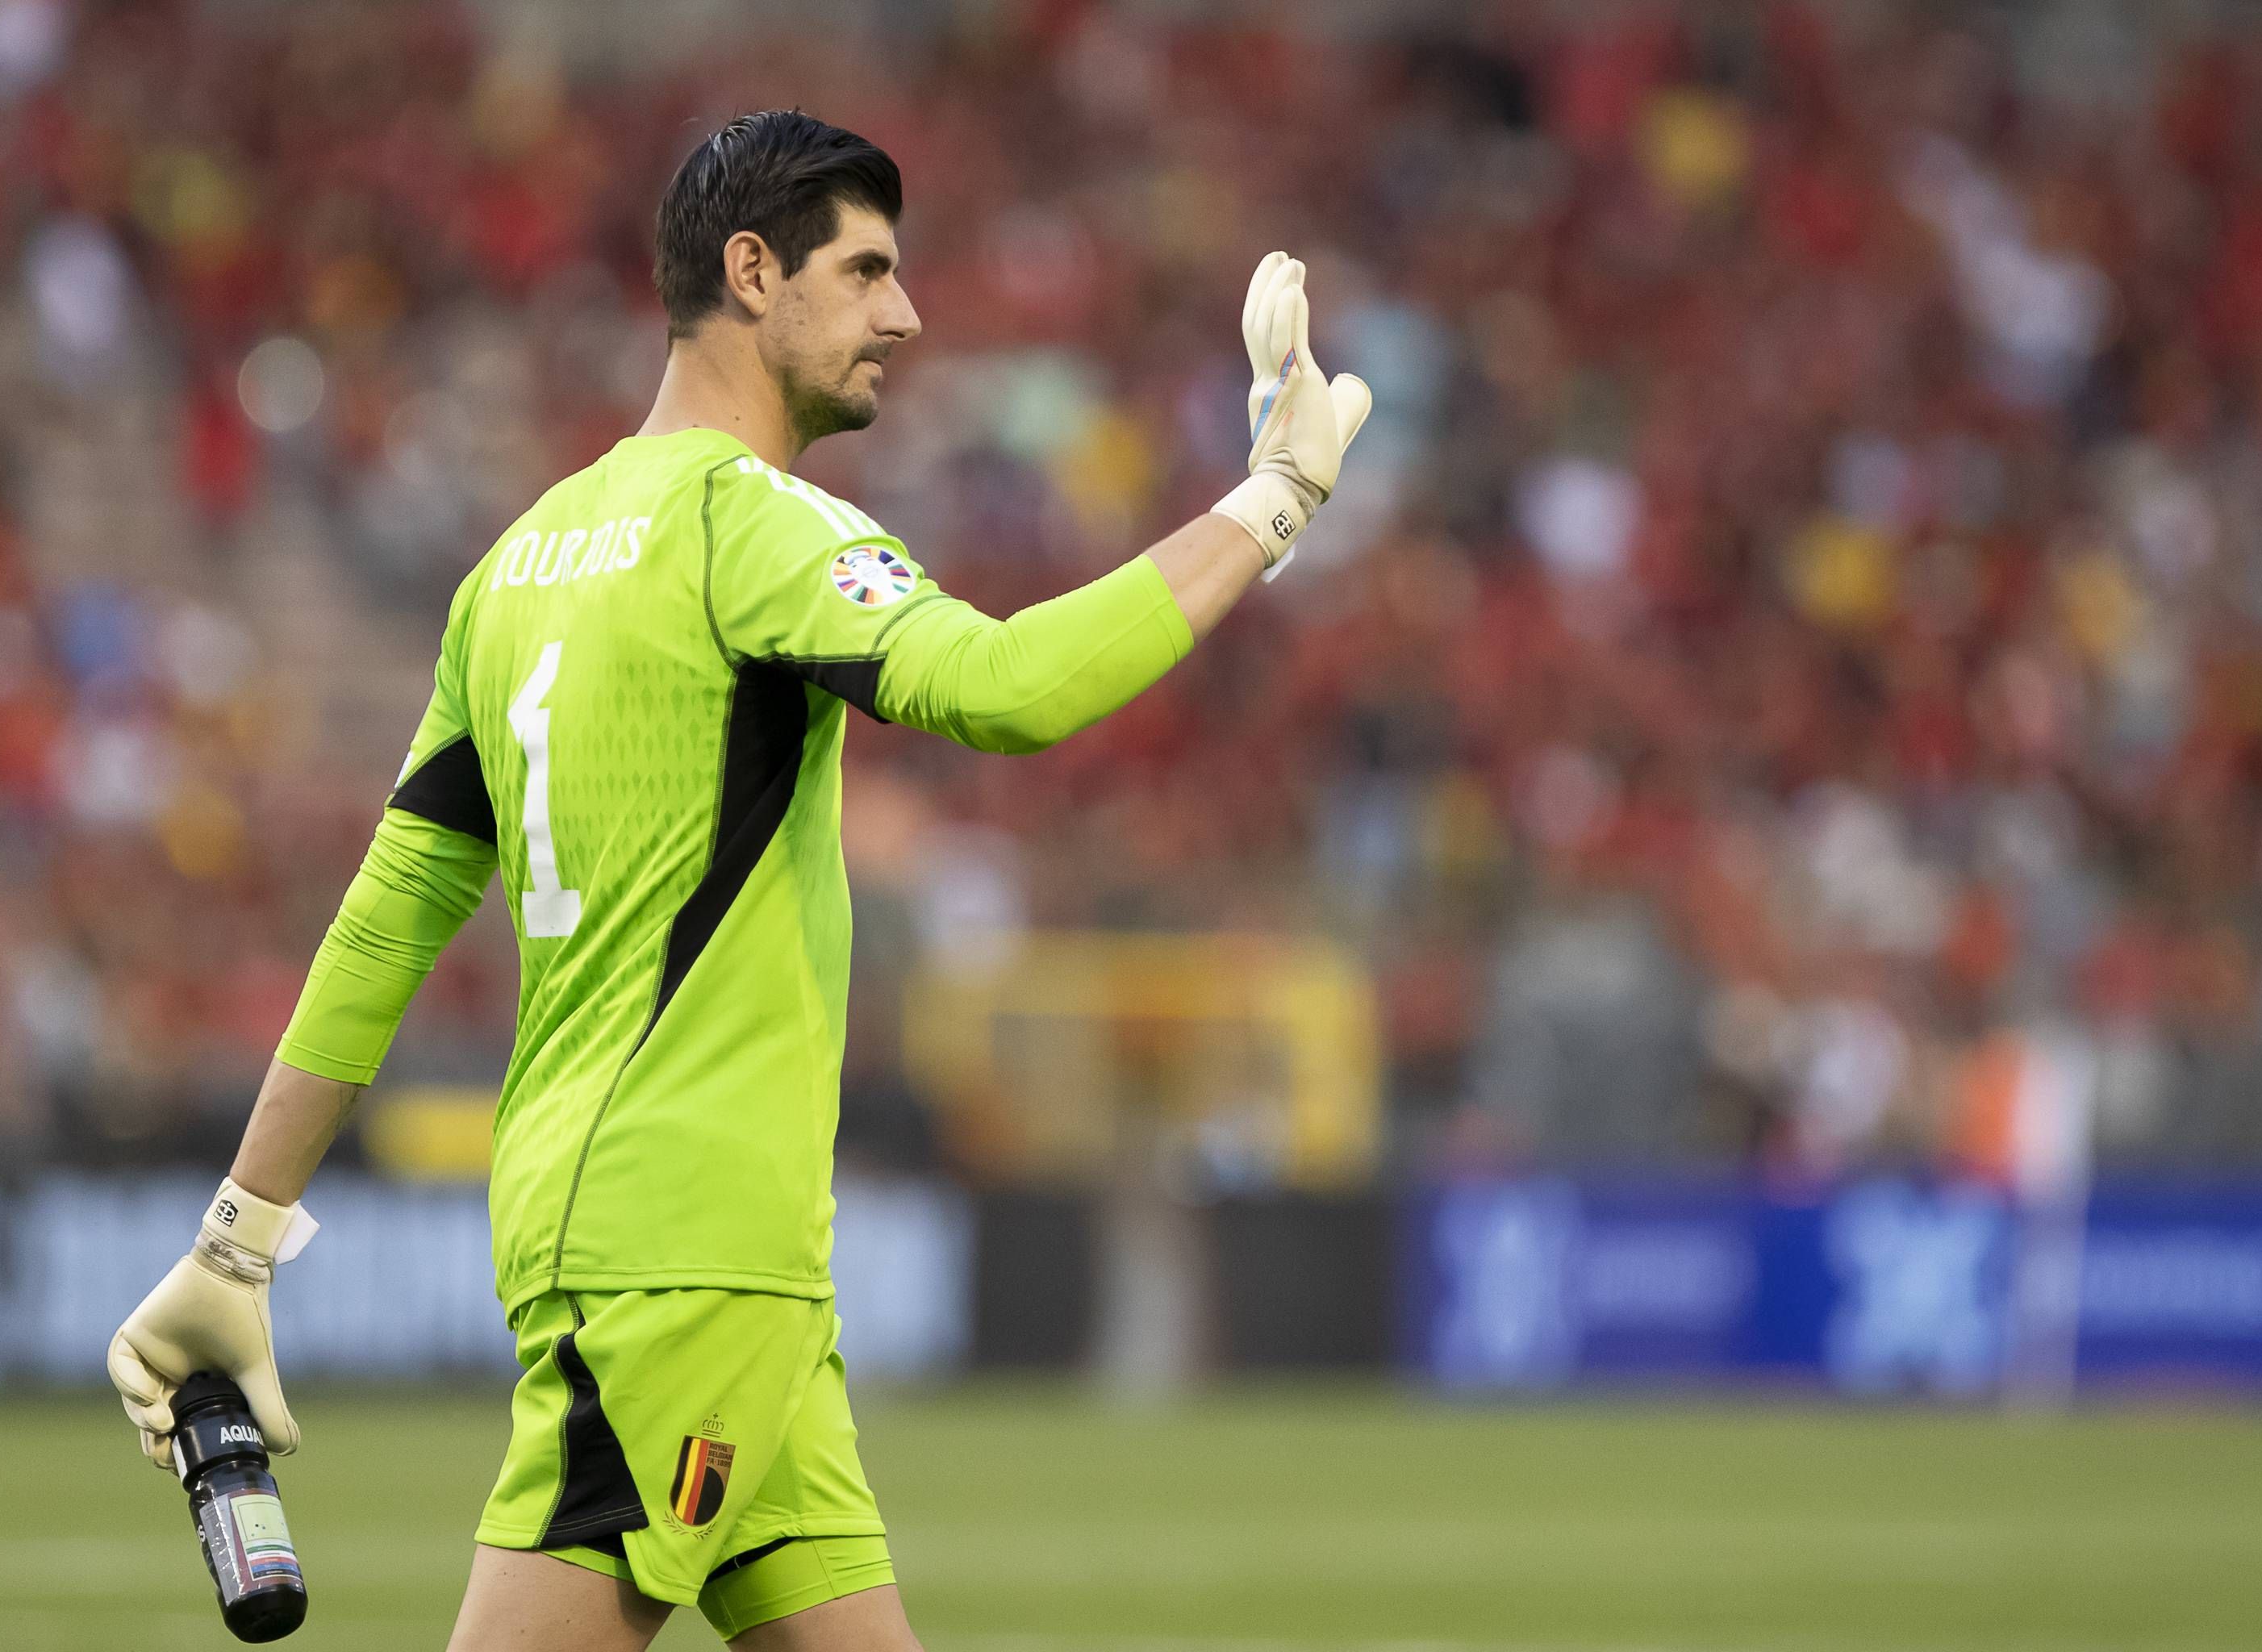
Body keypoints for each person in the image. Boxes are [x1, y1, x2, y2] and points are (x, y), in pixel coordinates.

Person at [105, 108, 1370, 1652]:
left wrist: (239, 1234)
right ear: (751, 271)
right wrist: (1274, 500)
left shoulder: (513, 565)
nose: (904, 316)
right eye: (868, 273)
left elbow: (390, 919)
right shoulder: (748, 522)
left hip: (703, 1265)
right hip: (677, 1267)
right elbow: (1007, 688)